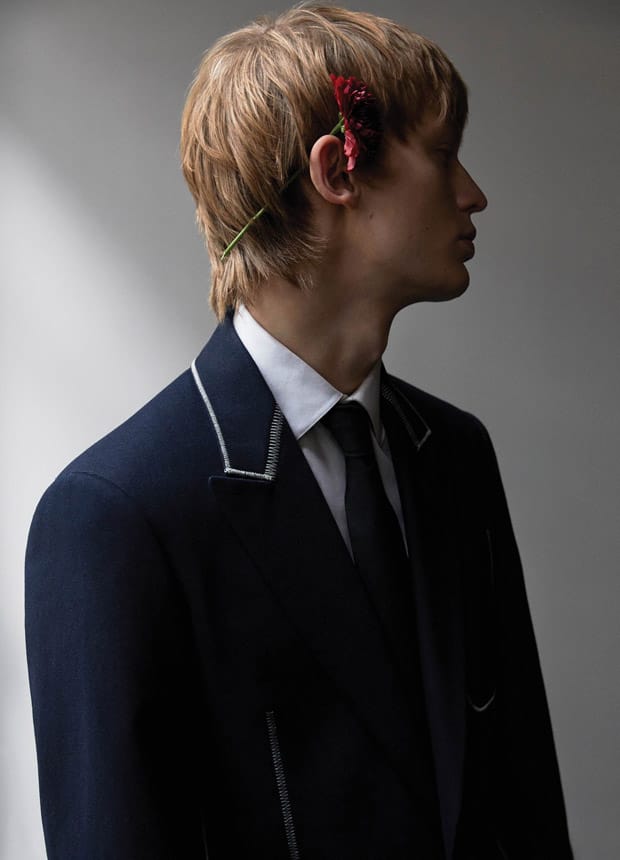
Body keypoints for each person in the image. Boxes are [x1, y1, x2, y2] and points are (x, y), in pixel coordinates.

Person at [25, 4, 574, 858]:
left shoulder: (455, 455)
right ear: (337, 170)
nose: (473, 193)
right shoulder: (115, 515)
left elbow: (524, 804)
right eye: (442, 154)